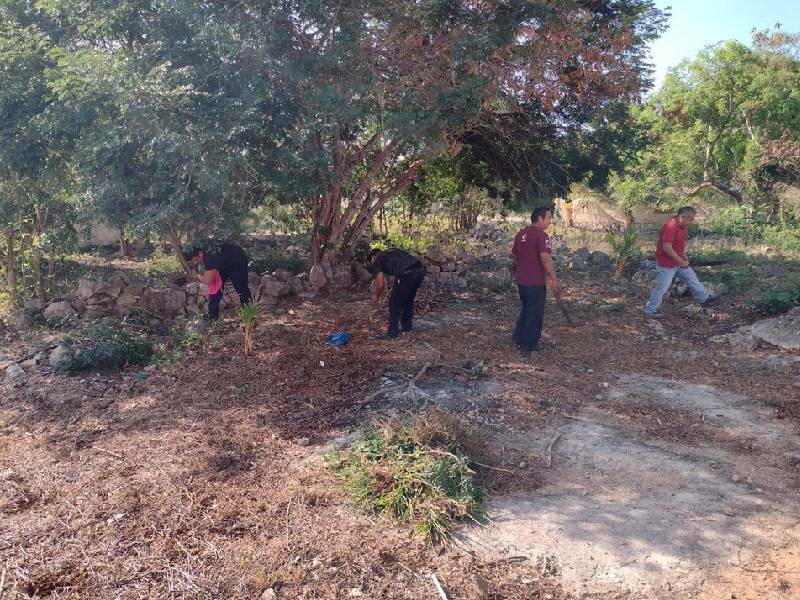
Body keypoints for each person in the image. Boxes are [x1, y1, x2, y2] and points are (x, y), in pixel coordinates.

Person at [644, 206, 713, 318]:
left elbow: (679, 246)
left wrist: (684, 257)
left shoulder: (683, 227)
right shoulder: (670, 227)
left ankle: (705, 300)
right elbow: (667, 248)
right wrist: (681, 261)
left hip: (678, 261)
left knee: (692, 279)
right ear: (683, 216)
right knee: (662, 287)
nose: (692, 221)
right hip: (666, 264)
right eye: (691, 219)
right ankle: (650, 310)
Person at [512, 206, 558, 356]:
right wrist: (553, 277)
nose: (550, 221)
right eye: (549, 218)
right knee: (535, 312)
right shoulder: (542, 236)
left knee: (526, 309)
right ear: (540, 218)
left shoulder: (521, 233)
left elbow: (514, 255)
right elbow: (545, 258)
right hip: (535, 282)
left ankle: (519, 337)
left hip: (521, 281)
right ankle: (529, 345)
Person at [184, 241, 252, 321]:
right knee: (215, 288)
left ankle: (250, 316)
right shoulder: (207, 253)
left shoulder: (209, 256)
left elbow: (207, 280)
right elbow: (212, 281)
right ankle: (213, 318)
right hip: (223, 264)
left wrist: (197, 276)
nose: (195, 262)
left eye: (195, 260)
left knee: (241, 288)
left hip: (237, 261)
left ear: (199, 254)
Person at [369, 248, 426, 340]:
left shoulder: (378, 260)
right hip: (420, 271)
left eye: (371, 261)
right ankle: (407, 327)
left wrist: (376, 296)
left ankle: (392, 333)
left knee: (394, 303)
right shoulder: (393, 251)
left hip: (406, 274)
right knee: (408, 300)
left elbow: (380, 285)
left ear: (373, 257)